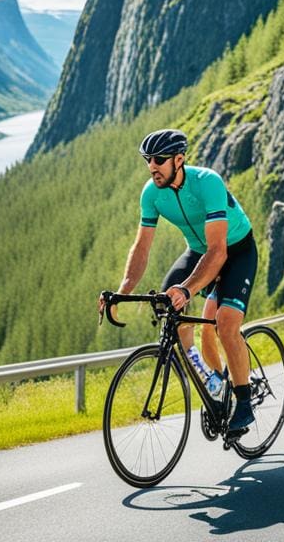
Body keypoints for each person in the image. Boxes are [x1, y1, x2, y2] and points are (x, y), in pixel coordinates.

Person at [105, 128, 259, 433]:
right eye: (148, 160)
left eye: (159, 159)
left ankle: (243, 402)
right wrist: (123, 290)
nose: (152, 166)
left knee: (224, 325)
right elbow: (142, 247)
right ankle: (214, 386)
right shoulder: (152, 193)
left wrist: (187, 289)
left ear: (179, 159)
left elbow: (218, 252)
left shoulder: (207, 183)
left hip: (236, 250)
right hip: (199, 250)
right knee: (172, 316)